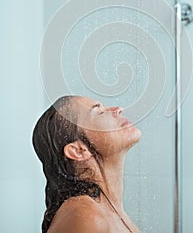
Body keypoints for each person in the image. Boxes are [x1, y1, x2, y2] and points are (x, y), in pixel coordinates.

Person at [32, 95, 142, 233]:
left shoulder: (111, 214)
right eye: (100, 112)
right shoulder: (87, 217)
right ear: (78, 151)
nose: (118, 109)